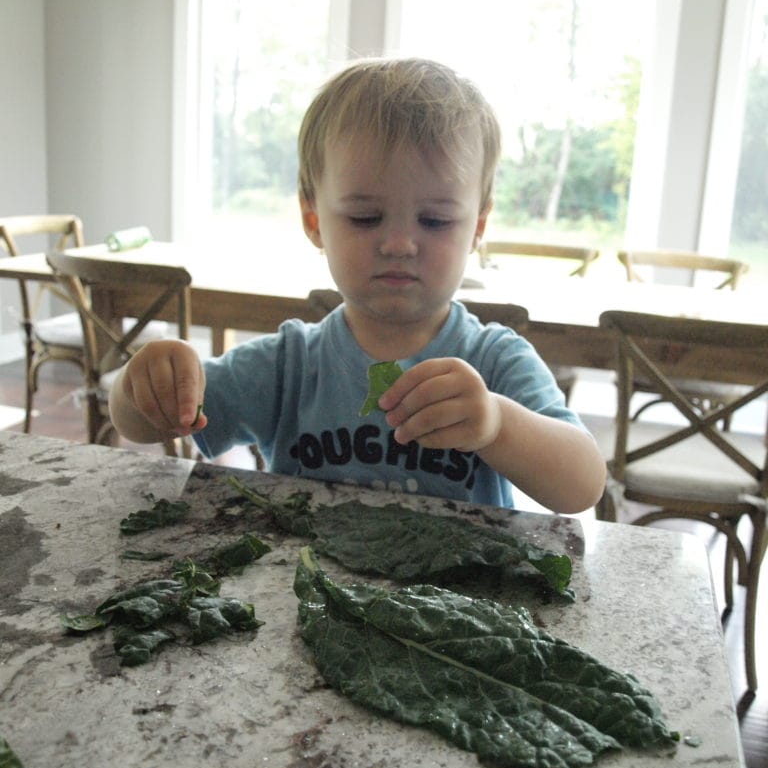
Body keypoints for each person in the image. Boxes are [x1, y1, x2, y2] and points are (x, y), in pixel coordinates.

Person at [109, 57, 605, 514]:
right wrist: (142, 386)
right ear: (313, 220)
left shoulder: (494, 359)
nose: (398, 244)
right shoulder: (290, 364)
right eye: (365, 217)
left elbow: (582, 486)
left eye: (434, 221)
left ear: (477, 227)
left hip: (452, 602)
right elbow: (146, 424)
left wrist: (497, 424)